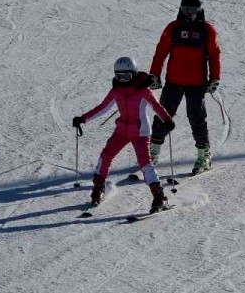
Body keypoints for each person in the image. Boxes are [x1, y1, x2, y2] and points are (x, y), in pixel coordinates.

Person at [73, 56, 176, 212]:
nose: (122, 80)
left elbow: (157, 107)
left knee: (144, 163)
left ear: (134, 74)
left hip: (140, 131)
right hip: (122, 131)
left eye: (126, 76)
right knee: (106, 155)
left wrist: (167, 120)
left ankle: (159, 195)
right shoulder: (116, 90)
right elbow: (102, 108)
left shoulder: (143, 91)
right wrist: (83, 118)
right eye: (119, 76)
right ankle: (98, 187)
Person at [148, 0, 222, 175]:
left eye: (194, 10)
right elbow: (160, 52)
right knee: (163, 117)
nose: (190, 14)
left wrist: (215, 77)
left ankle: (203, 156)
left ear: (200, 10)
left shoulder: (207, 30)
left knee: (197, 119)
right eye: (186, 9)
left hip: (197, 84)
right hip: (174, 81)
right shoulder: (173, 28)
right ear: (181, 9)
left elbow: (214, 55)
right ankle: (152, 155)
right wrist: (154, 74)